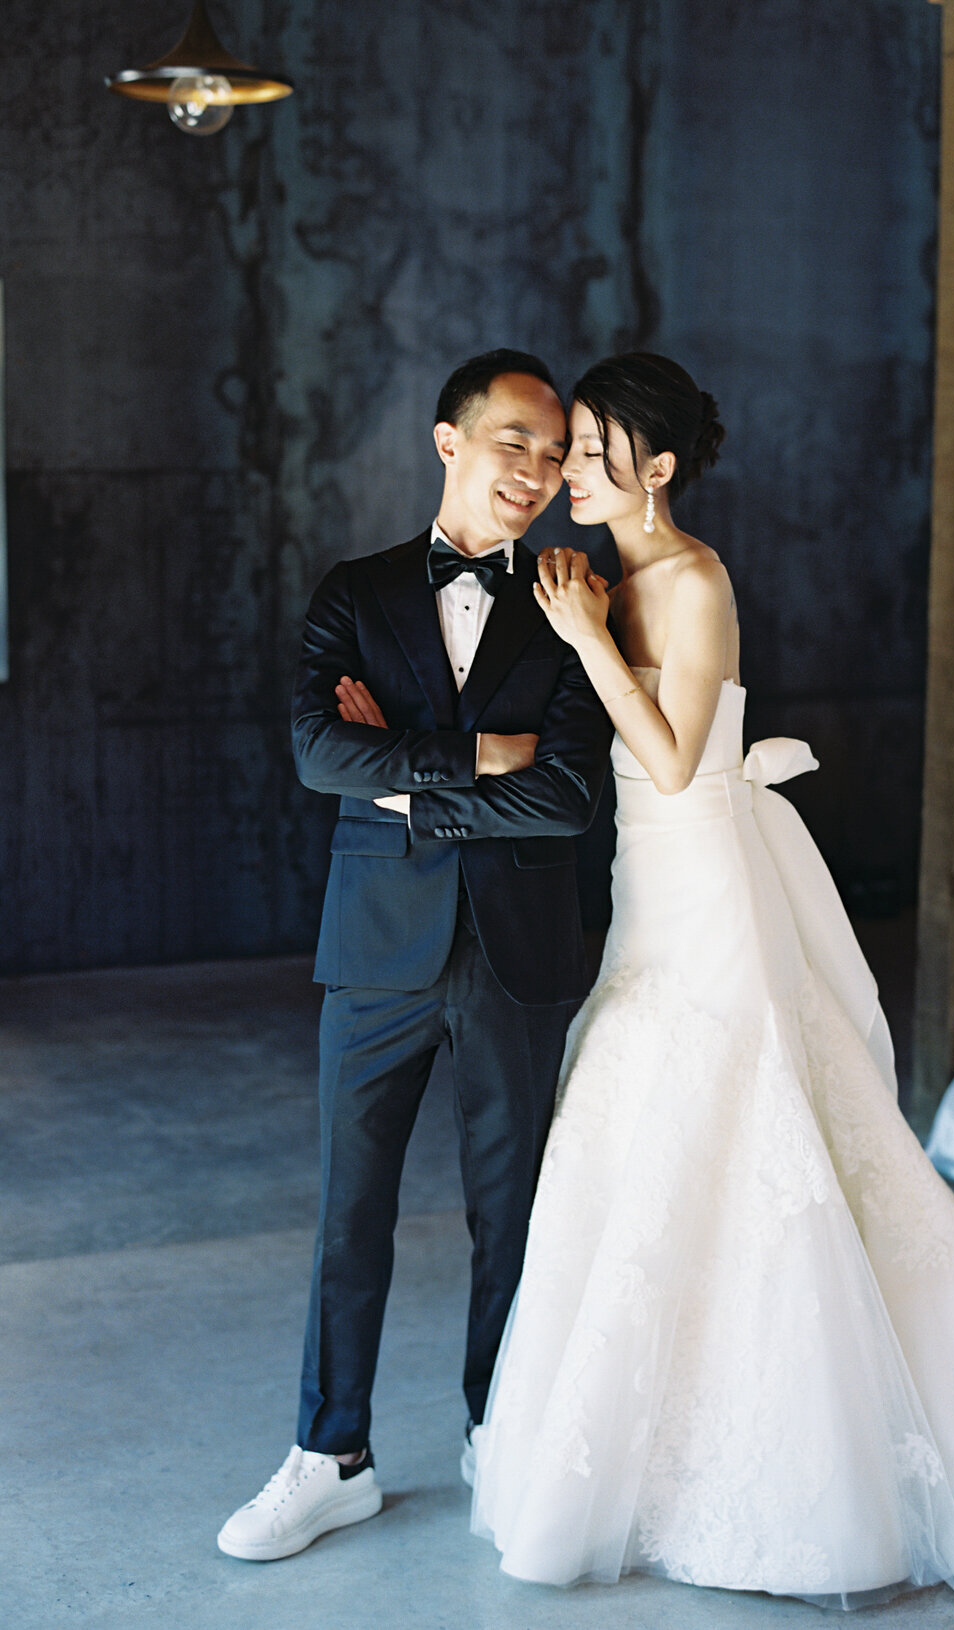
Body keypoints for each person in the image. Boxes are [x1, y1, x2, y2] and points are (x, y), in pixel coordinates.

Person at [468, 352, 954, 1626]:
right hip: (651, 884)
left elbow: (675, 761)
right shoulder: (612, 577)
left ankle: (812, 1449)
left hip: (705, 875)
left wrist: (582, 639)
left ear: (656, 470)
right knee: (645, 1117)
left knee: (734, 1112)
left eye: (591, 450)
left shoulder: (691, 578)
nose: (567, 469)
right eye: (568, 450)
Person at [217, 349, 612, 1562]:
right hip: (377, 948)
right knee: (352, 1213)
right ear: (449, 442)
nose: (538, 472)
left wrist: (420, 779)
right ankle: (330, 1454)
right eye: (515, 444)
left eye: (555, 455)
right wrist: (482, 755)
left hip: (516, 950)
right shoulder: (354, 588)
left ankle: (502, 1433)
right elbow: (318, 754)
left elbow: (570, 796)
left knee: (514, 1215)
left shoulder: (569, 595)